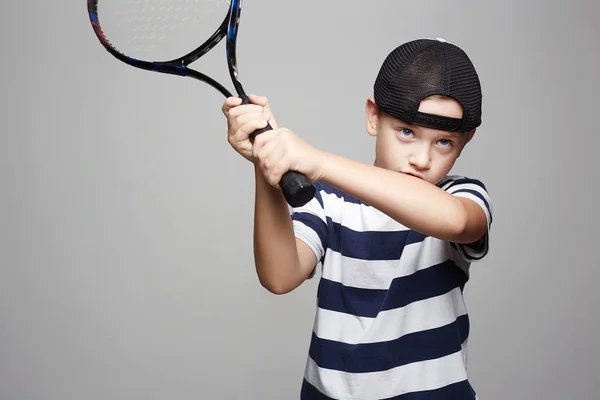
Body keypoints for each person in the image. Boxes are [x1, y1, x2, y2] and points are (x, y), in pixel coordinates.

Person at [222, 37, 492, 400]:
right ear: (373, 116)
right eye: (407, 132)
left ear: (466, 139)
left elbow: (458, 222)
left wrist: (320, 162)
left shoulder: (460, 196)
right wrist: (267, 164)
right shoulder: (330, 201)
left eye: (444, 142)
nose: (422, 159)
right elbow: (279, 276)